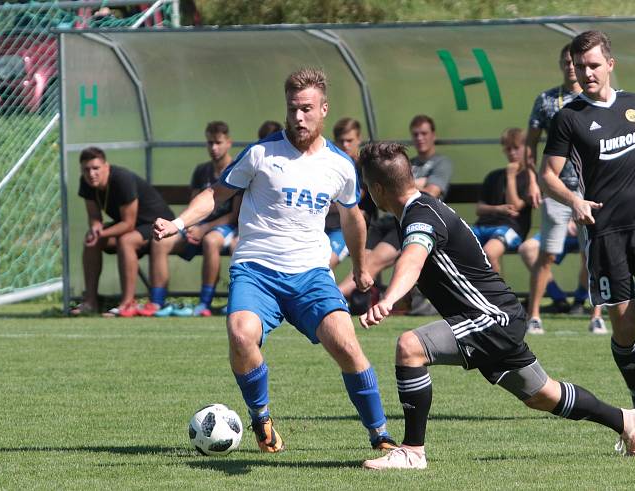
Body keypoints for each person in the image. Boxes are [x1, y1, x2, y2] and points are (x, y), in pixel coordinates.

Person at [355, 142, 635, 470]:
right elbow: (396, 251)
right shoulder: (419, 210)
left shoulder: (421, 216)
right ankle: (628, 421)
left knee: (410, 346)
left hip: (489, 318)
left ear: (377, 189)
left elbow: (412, 258)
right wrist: (367, 270)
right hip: (500, 316)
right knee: (542, 394)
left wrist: (388, 298)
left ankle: (412, 451)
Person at [153, 68, 397, 453]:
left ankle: (380, 434)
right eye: (292, 109)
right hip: (256, 270)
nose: (298, 117)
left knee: (347, 346)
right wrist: (179, 223)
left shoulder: (340, 166)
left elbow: (353, 217)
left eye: (306, 109)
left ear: (323, 110)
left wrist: (362, 268)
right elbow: (217, 194)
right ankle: (260, 417)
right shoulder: (262, 153)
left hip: (311, 274)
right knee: (240, 334)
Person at [540, 30, 635, 417]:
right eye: (579, 66)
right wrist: (574, 199)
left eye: (593, 65)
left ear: (610, 64)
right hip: (606, 232)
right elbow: (548, 176)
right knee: (625, 327)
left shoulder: (634, 104)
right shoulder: (568, 118)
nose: (586, 73)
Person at [523, 42, 606, 335]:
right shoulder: (546, 100)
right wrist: (533, 180)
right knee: (547, 253)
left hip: (592, 188)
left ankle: (596, 314)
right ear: (562, 64)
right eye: (568, 62)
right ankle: (534, 315)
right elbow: (530, 143)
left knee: (595, 252)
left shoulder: (595, 98)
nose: (573, 68)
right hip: (557, 189)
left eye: (579, 63)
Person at [338, 114, 453, 314]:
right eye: (415, 134)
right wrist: (419, 183)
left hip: (415, 222)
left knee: (371, 263)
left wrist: (400, 184)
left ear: (433, 135)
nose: (420, 138)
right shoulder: (409, 161)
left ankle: (332, 298)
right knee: (361, 259)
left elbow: (432, 192)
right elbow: (395, 186)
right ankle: (347, 299)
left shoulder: (441, 163)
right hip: (389, 219)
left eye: (424, 133)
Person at [145, 121, 241, 317]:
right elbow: (195, 205)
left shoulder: (238, 170)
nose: (213, 148)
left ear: (228, 143)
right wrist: (192, 227)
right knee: (160, 242)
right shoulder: (201, 170)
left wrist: (203, 229)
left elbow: (234, 215)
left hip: (227, 227)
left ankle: (204, 303)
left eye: (218, 142)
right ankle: (156, 302)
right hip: (199, 227)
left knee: (210, 241)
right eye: (209, 143)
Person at [70, 147, 174, 317]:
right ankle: (90, 302)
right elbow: (94, 216)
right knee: (91, 240)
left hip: (158, 225)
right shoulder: (86, 182)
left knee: (126, 240)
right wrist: (96, 228)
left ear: (106, 166)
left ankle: (127, 303)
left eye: (95, 168)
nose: (91, 174)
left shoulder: (121, 179)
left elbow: (128, 223)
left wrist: (102, 233)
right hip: (132, 228)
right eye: (86, 169)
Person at [518, 220, 607, 334]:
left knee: (592, 256)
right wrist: (567, 222)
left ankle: (590, 311)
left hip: (589, 221)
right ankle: (556, 302)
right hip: (561, 222)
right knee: (527, 249)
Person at [470, 127, 532, 274]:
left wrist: (511, 176)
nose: (512, 153)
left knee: (490, 253)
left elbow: (515, 206)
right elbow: (479, 208)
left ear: (526, 149)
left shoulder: (530, 179)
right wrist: (498, 209)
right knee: (455, 249)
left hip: (511, 229)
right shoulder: (494, 176)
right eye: (508, 149)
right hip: (482, 226)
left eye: (516, 148)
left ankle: (497, 297)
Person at [325, 117, 378, 270]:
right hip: (322, 223)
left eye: (350, 140)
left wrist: (323, 204)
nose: (345, 145)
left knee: (325, 264)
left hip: (350, 226)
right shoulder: (330, 166)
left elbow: (350, 200)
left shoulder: (364, 167)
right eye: (341, 141)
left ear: (359, 139)